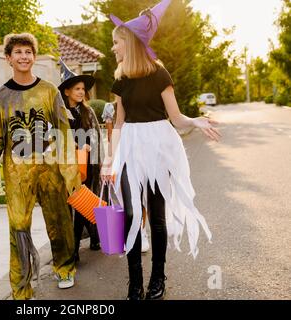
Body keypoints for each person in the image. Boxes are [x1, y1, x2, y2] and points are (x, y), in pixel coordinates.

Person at [101, 0, 220, 300]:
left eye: (116, 43)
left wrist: (196, 120)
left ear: (130, 43)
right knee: (130, 213)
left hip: (158, 147)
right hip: (130, 146)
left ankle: (157, 277)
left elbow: (176, 118)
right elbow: (118, 123)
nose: (113, 48)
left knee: (156, 217)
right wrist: (109, 160)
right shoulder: (120, 79)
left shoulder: (159, 75)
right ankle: (134, 284)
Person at [0, 33, 82, 300]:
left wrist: (70, 172)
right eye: (18, 52)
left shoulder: (49, 92)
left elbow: (64, 133)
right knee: (18, 226)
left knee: (59, 220)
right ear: (8, 58)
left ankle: (64, 267)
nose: (24, 56)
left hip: (50, 169)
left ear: (34, 57)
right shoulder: (0, 98)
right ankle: (21, 287)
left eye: (28, 52)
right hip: (17, 173)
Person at [58, 59, 103, 262]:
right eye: (77, 88)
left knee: (84, 202)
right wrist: (75, 146)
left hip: (88, 166)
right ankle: (93, 237)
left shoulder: (88, 111)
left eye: (83, 89)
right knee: (74, 205)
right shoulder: (59, 114)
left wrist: (97, 159)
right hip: (68, 167)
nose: (81, 92)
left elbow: (96, 137)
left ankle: (76, 248)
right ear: (66, 91)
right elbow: (55, 137)